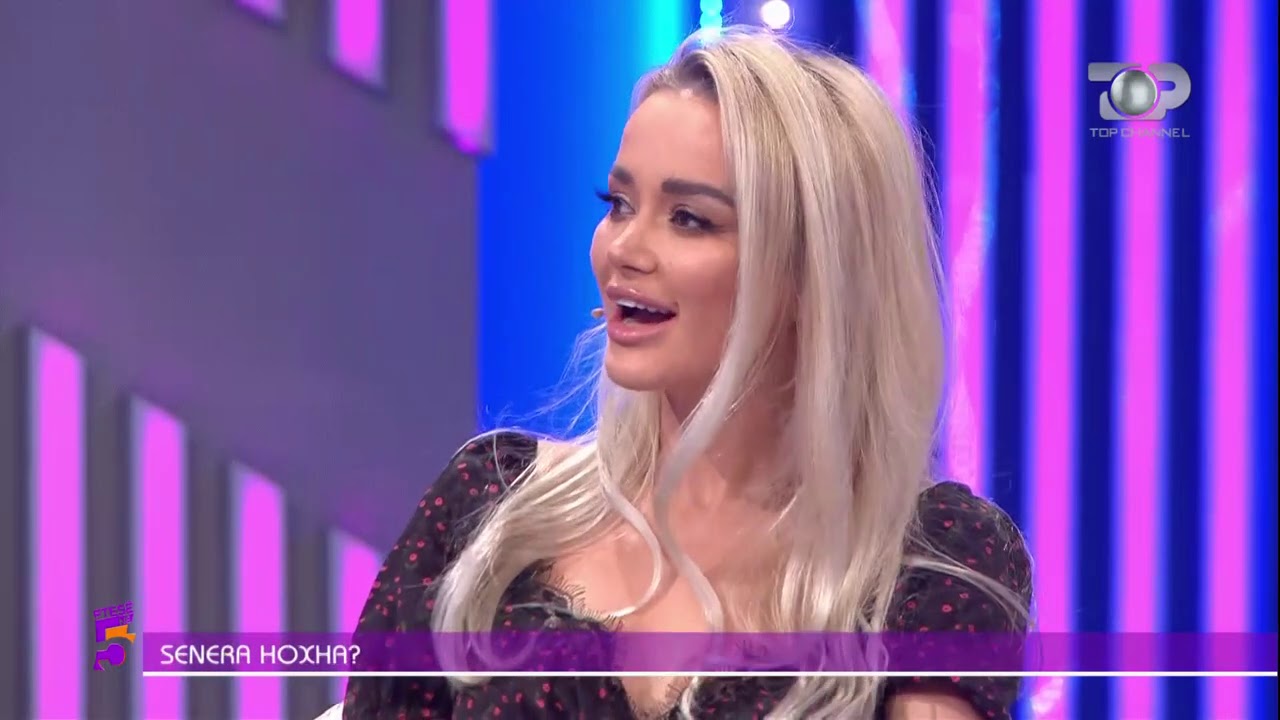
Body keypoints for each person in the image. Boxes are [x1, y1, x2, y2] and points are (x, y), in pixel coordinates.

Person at [327, 26, 1032, 720]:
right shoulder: (492, 506)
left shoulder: (930, 564)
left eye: (689, 219)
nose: (623, 250)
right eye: (619, 206)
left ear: (811, 274)